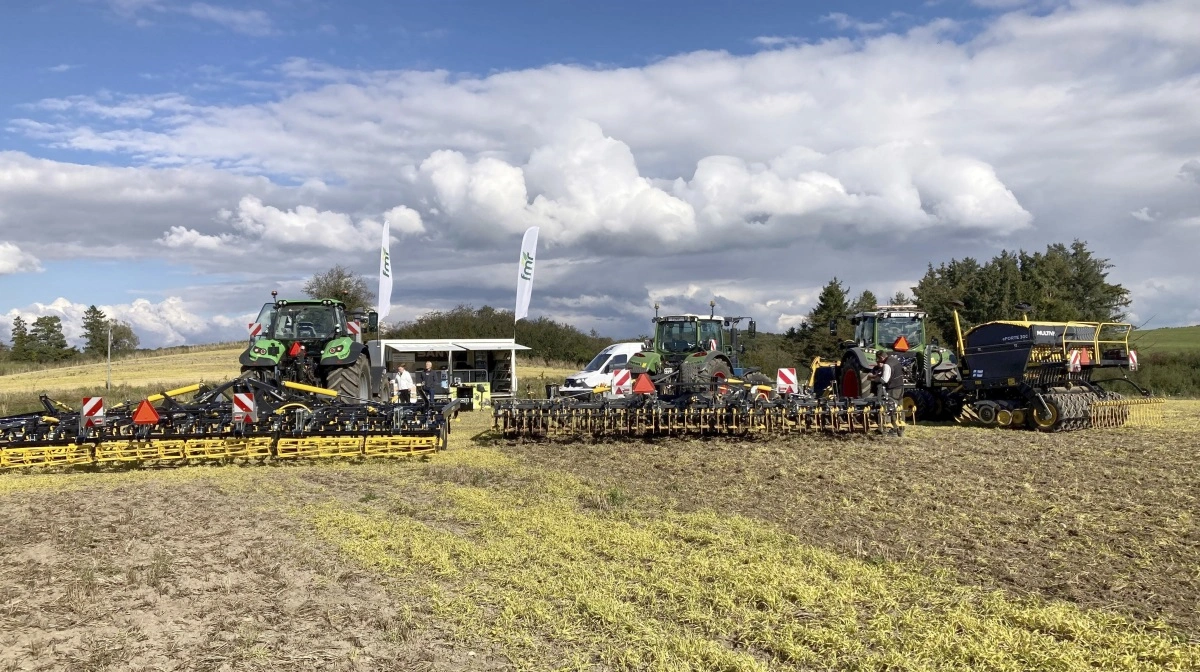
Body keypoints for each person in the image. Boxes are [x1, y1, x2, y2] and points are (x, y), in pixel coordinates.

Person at [868, 350, 906, 436]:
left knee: (890, 408)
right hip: (900, 387)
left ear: (881, 357)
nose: (878, 361)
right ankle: (901, 429)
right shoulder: (895, 360)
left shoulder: (887, 365)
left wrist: (874, 378)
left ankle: (893, 430)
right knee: (900, 408)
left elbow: (884, 380)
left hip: (892, 389)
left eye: (878, 359)